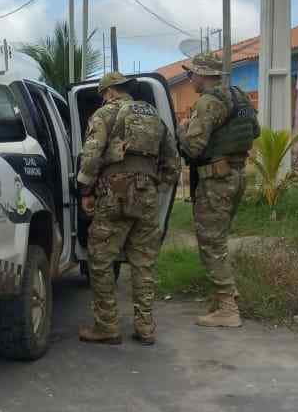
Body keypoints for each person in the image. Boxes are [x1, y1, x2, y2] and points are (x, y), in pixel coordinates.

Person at [77, 71, 182, 346]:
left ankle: (107, 326)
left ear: (110, 92)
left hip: (114, 194)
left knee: (99, 260)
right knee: (143, 262)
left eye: (103, 95)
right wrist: (154, 187)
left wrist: (85, 190)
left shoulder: (105, 114)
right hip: (146, 194)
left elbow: (91, 155)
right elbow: (172, 162)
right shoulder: (153, 116)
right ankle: (145, 327)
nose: (103, 99)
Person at [178, 53, 260, 329]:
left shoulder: (208, 102)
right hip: (237, 175)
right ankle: (222, 298)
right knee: (219, 240)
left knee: (211, 244)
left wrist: (182, 131)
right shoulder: (240, 97)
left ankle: (227, 308)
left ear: (202, 74)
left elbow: (192, 148)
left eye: (191, 75)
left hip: (216, 180)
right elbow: (255, 131)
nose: (190, 80)